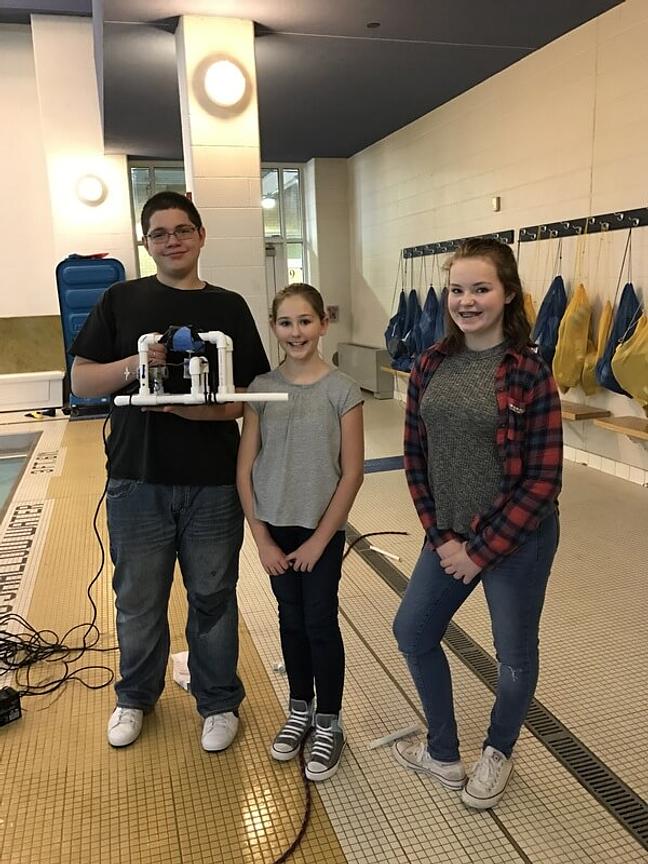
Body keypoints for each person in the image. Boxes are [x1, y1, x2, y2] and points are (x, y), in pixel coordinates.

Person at [71, 191, 269, 751]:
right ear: (146, 242)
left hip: (213, 482)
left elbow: (246, 399)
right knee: (138, 599)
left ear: (201, 235)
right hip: (137, 478)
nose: (172, 241)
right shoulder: (120, 299)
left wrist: (186, 410)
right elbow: (81, 382)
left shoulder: (229, 307)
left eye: (182, 230)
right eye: (159, 233)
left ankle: (219, 700)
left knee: (213, 595)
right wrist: (137, 364)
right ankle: (135, 696)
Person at [392, 238, 562, 809]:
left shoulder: (528, 371)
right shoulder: (430, 363)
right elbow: (416, 456)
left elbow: (542, 480)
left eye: (481, 289)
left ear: (507, 293)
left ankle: (498, 750)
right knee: (413, 632)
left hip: (516, 538)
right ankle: (442, 752)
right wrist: (441, 535)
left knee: (513, 655)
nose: (466, 301)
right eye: (457, 289)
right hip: (448, 535)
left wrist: (479, 552)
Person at [236, 283, 364, 781]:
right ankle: (299, 708)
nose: (296, 332)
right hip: (275, 529)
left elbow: (352, 473)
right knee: (289, 621)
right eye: (286, 323)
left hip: (320, 531)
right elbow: (244, 470)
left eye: (305, 321)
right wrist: (262, 539)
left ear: (323, 323)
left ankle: (328, 721)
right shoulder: (261, 389)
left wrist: (319, 540)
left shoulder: (342, 390)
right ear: (274, 327)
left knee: (320, 622)